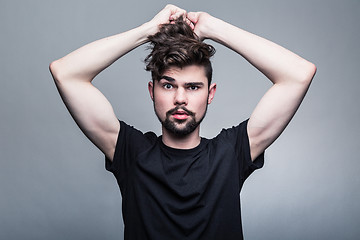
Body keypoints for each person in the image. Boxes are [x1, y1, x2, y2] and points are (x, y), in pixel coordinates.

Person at [49, 4, 316, 240]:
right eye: (168, 85)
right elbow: (66, 72)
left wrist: (213, 28)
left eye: (192, 87)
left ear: (210, 94)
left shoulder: (231, 152)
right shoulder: (131, 152)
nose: (180, 98)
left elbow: (299, 74)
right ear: (152, 91)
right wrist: (148, 30)